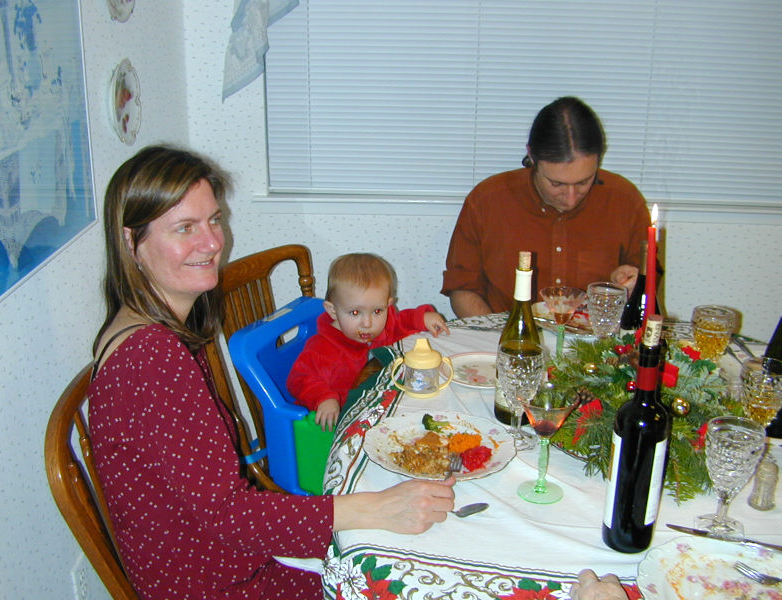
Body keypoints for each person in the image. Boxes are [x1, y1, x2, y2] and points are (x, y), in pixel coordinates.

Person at [87, 145, 456, 600]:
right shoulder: (152, 359)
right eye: (185, 228)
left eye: (214, 220)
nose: (212, 242)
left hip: (224, 561)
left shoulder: (144, 328)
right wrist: (373, 508)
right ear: (131, 242)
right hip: (216, 584)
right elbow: (229, 516)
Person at [442, 96, 652, 318]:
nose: (571, 199)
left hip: (595, 346)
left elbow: (646, 290)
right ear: (532, 156)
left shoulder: (624, 201)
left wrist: (633, 286)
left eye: (583, 182)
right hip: (506, 338)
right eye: (557, 184)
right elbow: (462, 288)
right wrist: (499, 340)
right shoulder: (487, 200)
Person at [287, 252, 449, 431]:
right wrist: (324, 398)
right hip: (337, 424)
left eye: (377, 311)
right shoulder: (321, 348)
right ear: (332, 311)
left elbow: (400, 322)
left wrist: (422, 318)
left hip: (375, 408)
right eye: (355, 313)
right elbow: (299, 379)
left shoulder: (381, 325)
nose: (368, 323)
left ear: (388, 305)